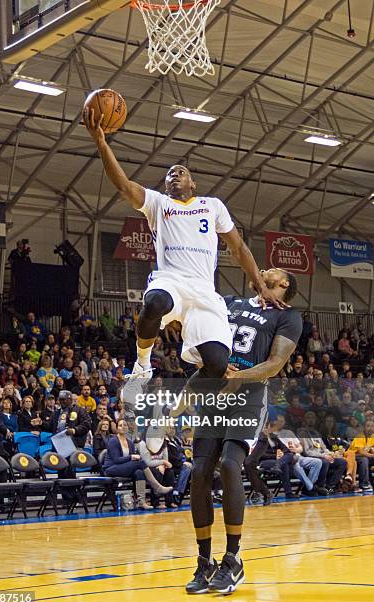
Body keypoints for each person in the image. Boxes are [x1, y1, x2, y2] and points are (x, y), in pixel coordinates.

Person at [84, 107, 285, 420]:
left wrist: (261, 286)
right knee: (155, 301)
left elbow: (238, 246)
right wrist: (101, 142)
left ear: (193, 184)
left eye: (180, 172)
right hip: (172, 280)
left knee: (218, 364)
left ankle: (171, 416)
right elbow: (124, 185)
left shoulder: (212, 206)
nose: (173, 176)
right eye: (169, 175)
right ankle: (141, 366)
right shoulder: (158, 204)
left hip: (204, 291)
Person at [183, 268, 302, 595]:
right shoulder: (231, 302)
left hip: (249, 395)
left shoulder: (289, 316)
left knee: (231, 465)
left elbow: (275, 363)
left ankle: (232, 559)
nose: (264, 269)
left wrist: (240, 377)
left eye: (273, 270)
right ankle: (204, 561)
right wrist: (209, 366)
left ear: (285, 283)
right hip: (213, 392)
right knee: (199, 471)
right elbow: (204, 340)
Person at [103, 418, 172, 510]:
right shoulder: (113, 441)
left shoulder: (130, 442)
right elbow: (116, 460)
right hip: (111, 468)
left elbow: (130, 461)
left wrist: (132, 458)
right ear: (116, 428)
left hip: (124, 468)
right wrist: (131, 457)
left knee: (139, 472)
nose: (123, 427)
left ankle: (141, 502)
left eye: (125, 425)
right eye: (120, 425)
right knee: (140, 462)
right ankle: (157, 487)